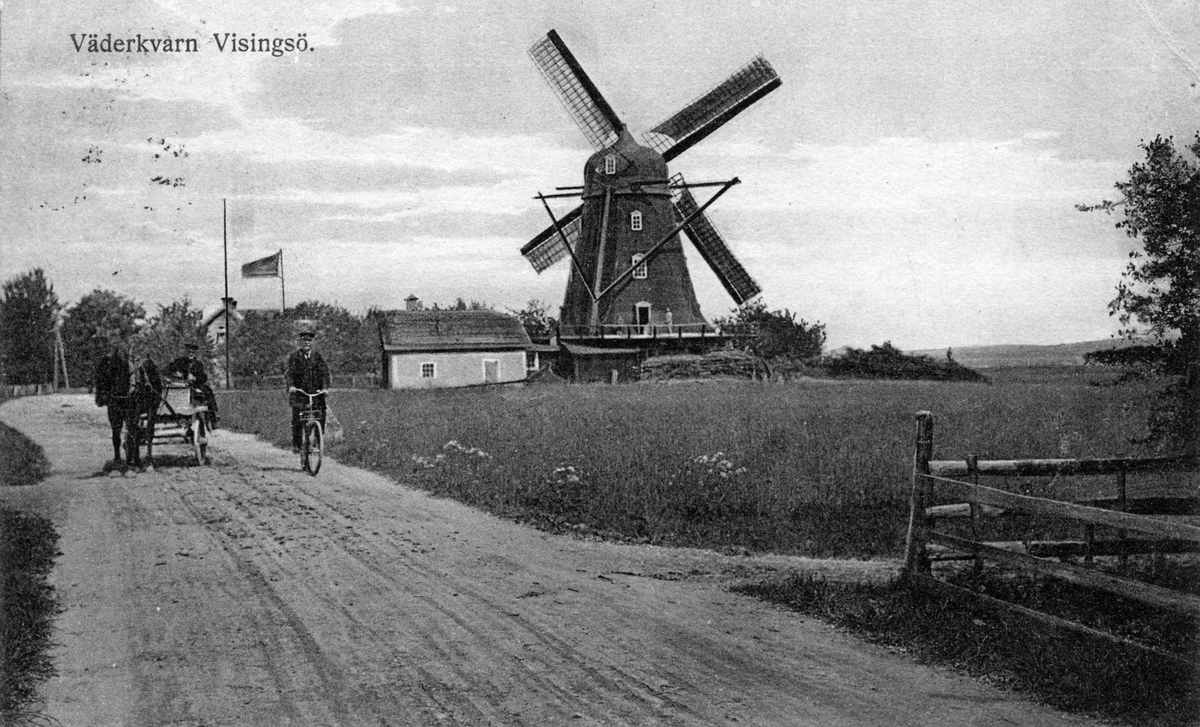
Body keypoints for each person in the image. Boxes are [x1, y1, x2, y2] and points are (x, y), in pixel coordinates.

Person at [285, 321, 330, 453]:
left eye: (309, 341)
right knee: (298, 419)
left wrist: (325, 388)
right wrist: (291, 386)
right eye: (304, 341)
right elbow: (289, 374)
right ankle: (297, 444)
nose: (307, 343)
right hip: (300, 393)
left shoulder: (317, 357)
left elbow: (324, 373)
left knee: (321, 414)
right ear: (300, 342)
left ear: (312, 342)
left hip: (316, 393)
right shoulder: (295, 357)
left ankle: (318, 441)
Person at [167, 341, 218, 428]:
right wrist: (175, 374)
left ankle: (212, 419)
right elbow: (167, 370)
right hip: (180, 386)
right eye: (189, 352)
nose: (191, 354)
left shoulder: (198, 363)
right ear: (185, 352)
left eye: (193, 352)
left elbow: (203, 377)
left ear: (195, 353)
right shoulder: (179, 362)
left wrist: (195, 378)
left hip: (194, 385)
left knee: (207, 392)